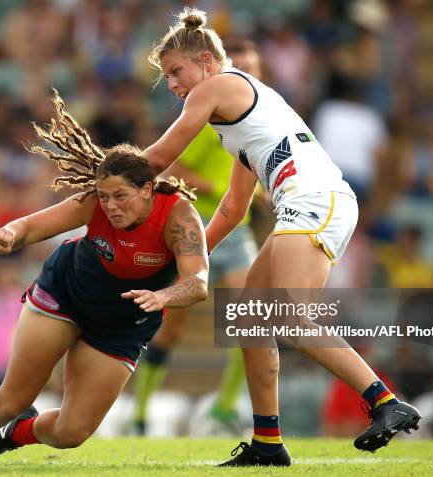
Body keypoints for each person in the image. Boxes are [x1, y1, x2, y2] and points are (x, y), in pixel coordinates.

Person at [141, 7, 421, 467]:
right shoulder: (242, 124)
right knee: (253, 321)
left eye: (176, 71)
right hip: (306, 203)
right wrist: (191, 260)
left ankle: (385, 401)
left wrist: (104, 177)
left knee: (289, 318)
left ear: (207, 63)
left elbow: (160, 156)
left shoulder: (217, 86)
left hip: (314, 199)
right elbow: (232, 209)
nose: (172, 85)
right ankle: (267, 443)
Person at [0, 94, 209, 461]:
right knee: (11, 399)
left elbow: (198, 283)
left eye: (121, 196)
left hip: (122, 323)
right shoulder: (94, 203)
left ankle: (18, 433)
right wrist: (11, 232)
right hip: (66, 294)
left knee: (71, 433)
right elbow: (34, 224)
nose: (111, 206)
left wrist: (163, 297)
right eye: (104, 196)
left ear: (147, 189)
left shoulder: (179, 218)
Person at [131, 39, 263, 436]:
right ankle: (139, 413)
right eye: (240, 66)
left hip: (235, 233)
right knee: (170, 329)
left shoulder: (252, 116)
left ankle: (224, 407)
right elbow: (177, 167)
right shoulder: (211, 116)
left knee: (253, 320)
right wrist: (212, 187)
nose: (246, 75)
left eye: (252, 68)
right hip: (197, 228)